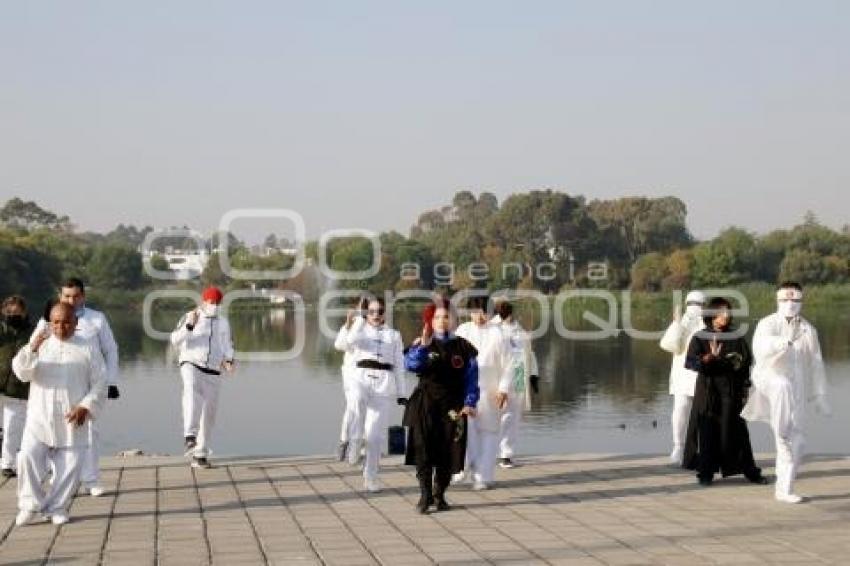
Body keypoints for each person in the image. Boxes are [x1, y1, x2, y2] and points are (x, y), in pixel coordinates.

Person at [13, 303, 106, 526]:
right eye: (56, 322)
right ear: (50, 322)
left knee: (70, 466)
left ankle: (56, 507)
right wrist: (32, 348)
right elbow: (21, 373)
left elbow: (100, 382)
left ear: (75, 323)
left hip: (72, 417)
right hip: (40, 416)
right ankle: (29, 504)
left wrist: (86, 406)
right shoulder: (39, 344)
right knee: (26, 457)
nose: (60, 327)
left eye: (66, 322)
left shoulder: (88, 348)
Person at [742, 282, 830, 503]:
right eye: (785, 300)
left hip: (796, 390)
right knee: (782, 386)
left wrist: (820, 395)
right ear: (777, 300)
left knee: (798, 442)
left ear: (801, 301)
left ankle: (784, 488)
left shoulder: (808, 330)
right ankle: (781, 435)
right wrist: (780, 343)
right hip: (769, 379)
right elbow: (759, 347)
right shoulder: (767, 323)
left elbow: (817, 363)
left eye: (795, 300)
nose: (790, 304)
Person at [32, 278, 119, 497]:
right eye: (66, 296)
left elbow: (110, 350)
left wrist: (111, 380)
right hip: (56, 382)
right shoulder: (48, 320)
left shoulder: (96, 319)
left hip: (87, 383)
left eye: (75, 296)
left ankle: (91, 480)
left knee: (88, 432)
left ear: (83, 296)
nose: (71, 300)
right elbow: (32, 348)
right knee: (54, 430)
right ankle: (59, 477)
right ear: (60, 296)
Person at [403, 298, 479, 513]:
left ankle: (439, 494)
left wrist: (470, 402)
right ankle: (425, 495)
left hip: (453, 407)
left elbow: (472, 378)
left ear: (454, 319)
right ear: (430, 320)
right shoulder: (422, 343)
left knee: (449, 451)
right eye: (437, 317)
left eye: (446, 316)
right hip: (425, 403)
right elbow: (410, 365)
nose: (442, 321)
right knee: (423, 449)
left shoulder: (463, 346)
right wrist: (423, 347)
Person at [683, 297, 767, 487]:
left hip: (731, 391)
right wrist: (707, 358)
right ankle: (705, 473)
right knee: (707, 432)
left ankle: (751, 472)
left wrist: (746, 388)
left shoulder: (736, 337)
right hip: (708, 392)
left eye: (728, 312)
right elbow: (689, 362)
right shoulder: (700, 337)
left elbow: (746, 364)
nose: (726, 316)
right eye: (721, 312)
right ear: (712, 315)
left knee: (738, 432)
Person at [335, 296, 406, 493]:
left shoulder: (394, 335)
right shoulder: (359, 329)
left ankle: (371, 476)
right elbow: (342, 345)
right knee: (355, 401)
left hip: (384, 382)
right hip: (359, 376)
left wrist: (401, 392)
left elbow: (400, 364)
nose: (375, 315)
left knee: (375, 436)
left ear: (385, 313)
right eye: (371, 311)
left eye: (379, 311)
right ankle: (355, 441)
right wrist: (354, 321)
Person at [170, 286, 235, 469]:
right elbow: (174, 339)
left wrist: (229, 360)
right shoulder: (191, 316)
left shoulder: (223, 323)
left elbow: (227, 344)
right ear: (203, 301)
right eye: (211, 302)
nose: (214, 306)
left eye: (217, 303)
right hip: (191, 362)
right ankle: (189, 436)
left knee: (209, 414)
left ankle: (200, 454)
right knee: (191, 392)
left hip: (213, 369)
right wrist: (189, 326)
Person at [454, 295, 512, 490]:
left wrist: (504, 389)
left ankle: (483, 475)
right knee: (465, 429)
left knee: (489, 432)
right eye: (476, 312)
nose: (480, 316)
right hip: (464, 389)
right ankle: (462, 467)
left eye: (484, 312)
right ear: (470, 312)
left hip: (490, 389)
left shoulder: (500, 334)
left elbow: (510, 364)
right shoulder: (462, 331)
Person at [659, 290, 706, 464]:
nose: (696, 308)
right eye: (692, 304)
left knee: (703, 413)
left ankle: (700, 449)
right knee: (680, 409)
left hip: (702, 374)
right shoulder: (681, 322)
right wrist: (676, 323)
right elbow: (669, 345)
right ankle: (678, 446)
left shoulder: (707, 323)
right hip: (682, 374)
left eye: (699, 304)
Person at [491, 300, 539, 469]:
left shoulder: (521, 333)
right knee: (493, 415)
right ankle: (488, 451)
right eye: (500, 308)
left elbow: (529, 354)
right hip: (496, 377)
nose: (503, 311)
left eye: (506, 308)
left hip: (518, 376)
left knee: (512, 417)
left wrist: (534, 375)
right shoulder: (490, 329)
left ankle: (506, 454)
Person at [0, 296, 35, 477]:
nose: (13, 315)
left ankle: (8, 463)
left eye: (17, 312)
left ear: (24, 312)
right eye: (9, 312)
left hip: (18, 388)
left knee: (12, 427)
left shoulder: (32, 332)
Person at [334, 297, 367, 464]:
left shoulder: (375, 327)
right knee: (353, 409)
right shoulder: (353, 326)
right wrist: (348, 323)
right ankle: (345, 442)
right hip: (352, 375)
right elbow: (340, 345)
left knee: (365, 411)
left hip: (369, 376)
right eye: (362, 308)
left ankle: (357, 445)